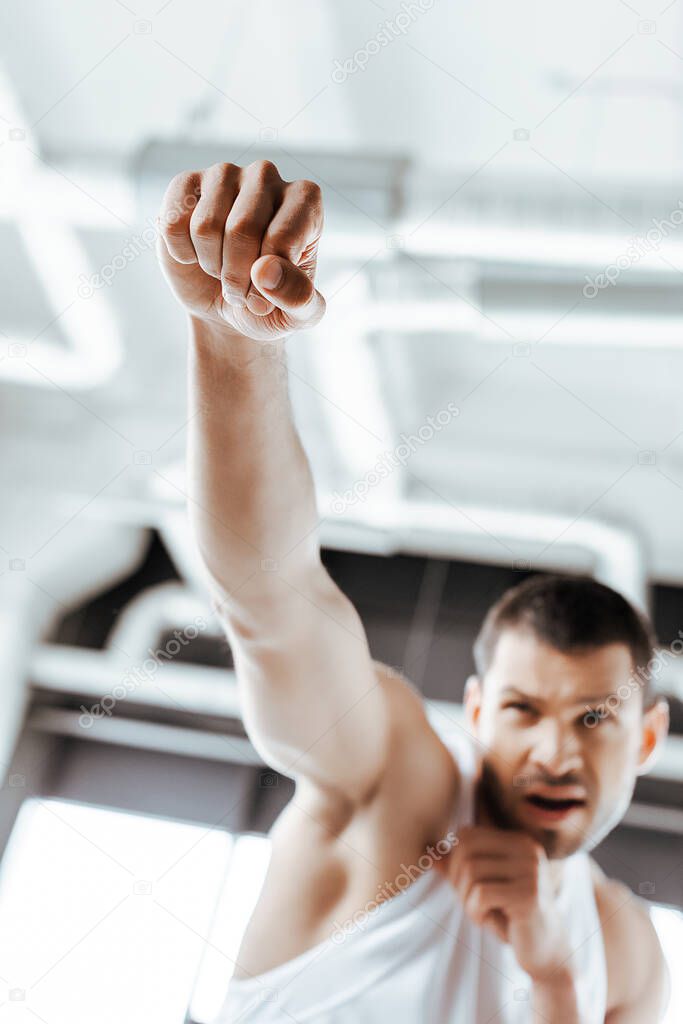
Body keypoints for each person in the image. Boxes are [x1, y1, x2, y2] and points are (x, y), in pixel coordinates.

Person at [157, 159, 671, 1023]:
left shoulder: (625, 950)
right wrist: (236, 346)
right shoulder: (391, 782)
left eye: (593, 717)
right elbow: (272, 600)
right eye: (520, 710)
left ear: (647, 737)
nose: (553, 752)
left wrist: (551, 980)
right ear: (472, 715)